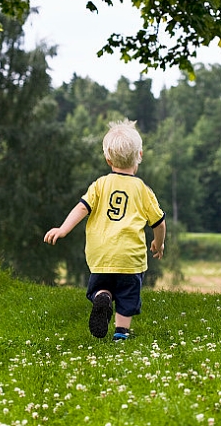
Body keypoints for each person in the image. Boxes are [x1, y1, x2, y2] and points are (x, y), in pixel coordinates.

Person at [44, 119, 166, 341]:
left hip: (101, 254)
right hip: (129, 258)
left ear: (108, 158)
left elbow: (82, 208)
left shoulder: (99, 184)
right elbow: (159, 222)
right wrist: (159, 243)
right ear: (140, 155)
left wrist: (63, 229)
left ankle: (102, 297)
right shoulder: (142, 189)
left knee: (103, 286)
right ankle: (121, 333)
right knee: (127, 296)